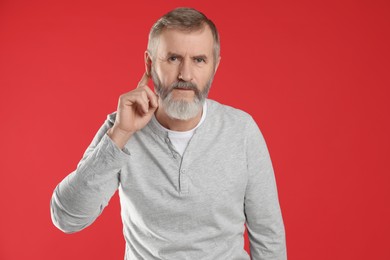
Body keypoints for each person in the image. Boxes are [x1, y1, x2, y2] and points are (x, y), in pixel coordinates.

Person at [50, 7, 287, 260]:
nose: (185, 75)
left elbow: (268, 236)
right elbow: (67, 218)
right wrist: (120, 133)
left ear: (215, 66)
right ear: (150, 64)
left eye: (199, 60)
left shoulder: (241, 130)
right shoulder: (121, 126)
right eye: (173, 58)